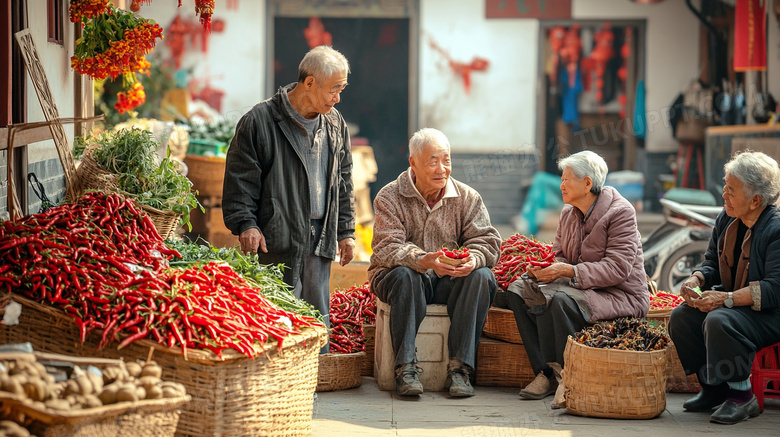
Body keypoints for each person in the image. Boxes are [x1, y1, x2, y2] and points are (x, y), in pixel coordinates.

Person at [222, 45, 356, 353]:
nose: (337, 98)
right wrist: (246, 224)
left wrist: (345, 232)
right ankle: (279, 388)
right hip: (276, 236)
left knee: (316, 320)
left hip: (320, 235)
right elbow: (240, 180)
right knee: (277, 318)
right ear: (309, 83)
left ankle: (314, 384)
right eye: (333, 89)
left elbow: (344, 181)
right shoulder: (260, 120)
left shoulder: (335, 124)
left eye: (341, 89)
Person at [506, 150, 648, 402]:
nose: (560, 185)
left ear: (587, 183)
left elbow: (618, 268)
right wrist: (546, 269)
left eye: (565, 179)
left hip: (619, 294)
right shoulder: (568, 213)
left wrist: (567, 271)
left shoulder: (620, 212)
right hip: (580, 287)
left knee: (560, 301)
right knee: (518, 290)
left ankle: (568, 375)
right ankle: (545, 372)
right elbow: (560, 255)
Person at [368, 128, 501, 398]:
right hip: (397, 279)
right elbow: (386, 247)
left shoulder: (467, 198)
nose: (442, 169)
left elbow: (487, 241)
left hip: (443, 281)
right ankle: (405, 368)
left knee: (482, 276)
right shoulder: (389, 196)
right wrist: (422, 260)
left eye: (447, 160)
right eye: (432, 161)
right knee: (407, 275)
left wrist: (471, 260)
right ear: (413, 163)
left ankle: (460, 370)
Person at [668, 150, 780, 425]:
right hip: (736, 305)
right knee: (682, 316)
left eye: (731, 190)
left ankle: (743, 397)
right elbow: (711, 263)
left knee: (719, 320)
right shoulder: (728, 218)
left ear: (755, 200)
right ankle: (714, 388)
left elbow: (774, 289)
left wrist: (726, 299)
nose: (724, 195)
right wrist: (697, 279)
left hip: (770, 313)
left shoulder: (775, 229)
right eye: (725, 187)